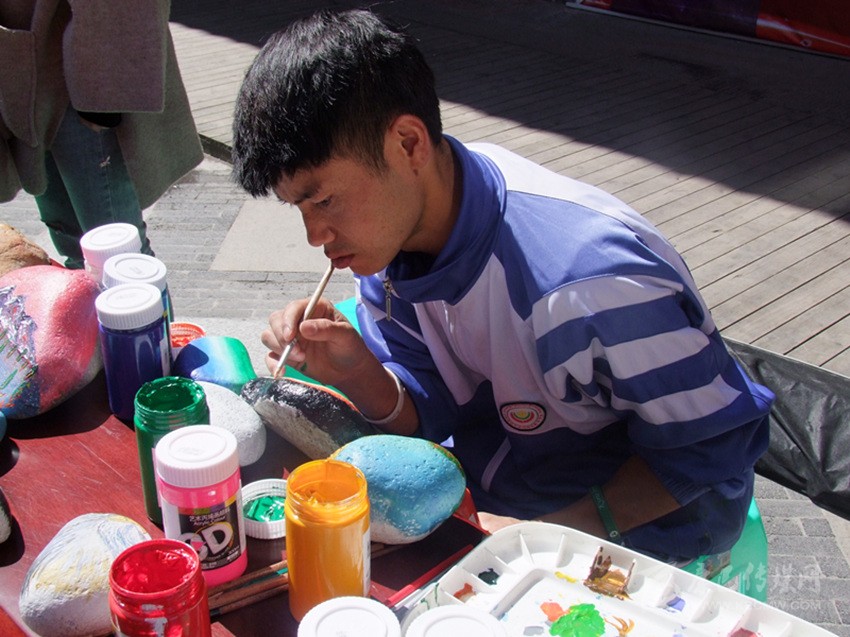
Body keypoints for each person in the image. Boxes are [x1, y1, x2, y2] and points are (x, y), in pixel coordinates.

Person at [232, 9, 774, 563]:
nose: (315, 235)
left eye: (324, 200)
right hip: (509, 484)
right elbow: (431, 408)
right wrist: (358, 372)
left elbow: (712, 447)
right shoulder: (397, 234)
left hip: (647, 528)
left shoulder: (588, 282)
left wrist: (546, 533)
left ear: (409, 144)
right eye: (299, 207)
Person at [0, 0, 203, 268]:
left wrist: (103, 88)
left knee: (116, 253)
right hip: (27, 68)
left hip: (81, 79)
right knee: (74, 243)